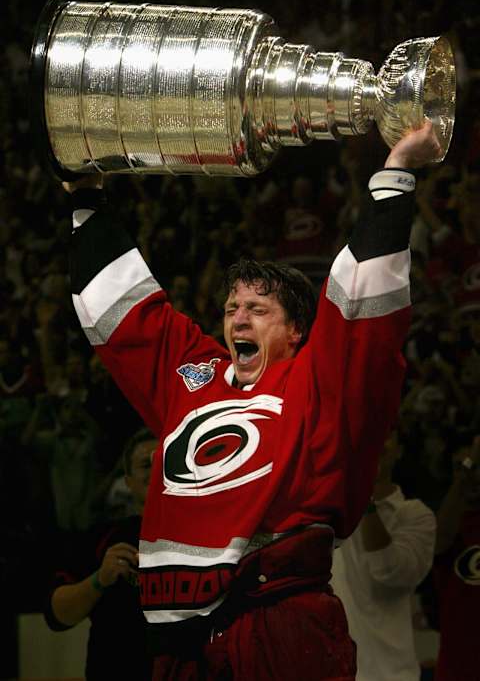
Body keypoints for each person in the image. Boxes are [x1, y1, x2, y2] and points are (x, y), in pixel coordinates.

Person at [64, 120, 441, 680]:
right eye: (231, 308)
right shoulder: (194, 379)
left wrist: (395, 176)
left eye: (258, 309)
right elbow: (127, 319)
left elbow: (364, 320)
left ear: (297, 333)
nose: (238, 317)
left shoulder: (314, 382)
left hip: (278, 624)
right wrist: (86, 199)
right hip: (179, 638)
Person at [44, 428, 158, 681]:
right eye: (144, 464)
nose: (156, 470)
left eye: (162, 461)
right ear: (127, 481)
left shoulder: (207, 535)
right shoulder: (103, 537)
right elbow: (57, 616)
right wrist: (99, 580)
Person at [330, 430, 436, 681]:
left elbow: (388, 571)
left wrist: (366, 496)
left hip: (390, 674)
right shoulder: (327, 508)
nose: (377, 441)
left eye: (386, 433)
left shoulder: (416, 515)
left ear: (398, 450)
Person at [432, 433, 480, 681]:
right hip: (457, 669)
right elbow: (438, 542)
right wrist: (470, 465)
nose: (471, 474)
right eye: (460, 467)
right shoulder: (450, 523)